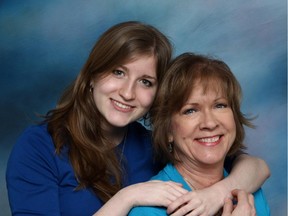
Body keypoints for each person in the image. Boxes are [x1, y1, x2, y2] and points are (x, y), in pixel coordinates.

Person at [6, 21, 269, 216]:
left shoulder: (152, 144)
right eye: (118, 72)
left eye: (145, 81)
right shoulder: (39, 146)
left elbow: (253, 167)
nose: (128, 92)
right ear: (91, 76)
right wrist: (127, 197)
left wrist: (216, 195)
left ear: (157, 95)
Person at [128, 52, 270, 215]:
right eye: (190, 110)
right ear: (168, 131)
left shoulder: (251, 191)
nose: (209, 123)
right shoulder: (149, 211)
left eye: (220, 105)